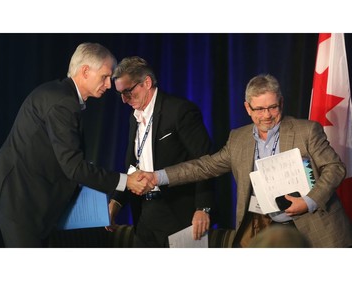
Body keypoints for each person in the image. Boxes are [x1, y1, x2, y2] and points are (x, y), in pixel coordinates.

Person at [140, 74, 352, 248]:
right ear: (247, 108)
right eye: (259, 109)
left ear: (281, 103)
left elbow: (334, 168)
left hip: (315, 229)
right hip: (265, 232)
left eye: (273, 107)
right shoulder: (238, 138)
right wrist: (158, 176)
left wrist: (309, 201)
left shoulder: (306, 131)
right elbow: (204, 167)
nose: (267, 115)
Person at [0, 43, 152, 248]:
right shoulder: (62, 102)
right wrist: (126, 182)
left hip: (28, 200)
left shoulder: (62, 96)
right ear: (85, 71)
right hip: (18, 200)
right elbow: (74, 167)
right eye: (105, 76)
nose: (108, 85)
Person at [105, 56, 215, 247]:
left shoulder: (180, 110)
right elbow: (132, 167)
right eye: (120, 94)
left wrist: (203, 207)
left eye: (128, 92)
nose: (124, 100)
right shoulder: (134, 118)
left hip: (179, 213)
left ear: (146, 83)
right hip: (145, 214)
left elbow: (205, 161)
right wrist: (116, 201)